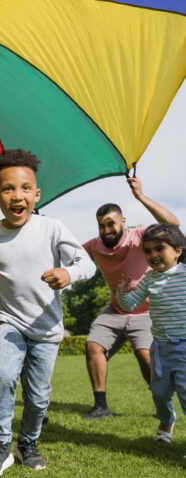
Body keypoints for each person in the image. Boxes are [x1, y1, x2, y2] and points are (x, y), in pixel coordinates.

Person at [0, 149, 95, 477]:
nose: (18, 195)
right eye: (9, 189)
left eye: (26, 188)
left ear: (37, 194)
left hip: (46, 325)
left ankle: (27, 442)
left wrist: (68, 274)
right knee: (2, 374)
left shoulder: (52, 228)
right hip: (8, 319)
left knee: (39, 398)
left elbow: (87, 263)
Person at [82, 177, 180, 419]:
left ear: (122, 221)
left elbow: (173, 225)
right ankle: (101, 407)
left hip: (145, 312)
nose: (106, 230)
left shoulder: (140, 236)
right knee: (93, 345)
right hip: (115, 310)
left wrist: (140, 197)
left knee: (144, 355)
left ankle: (162, 404)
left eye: (110, 224)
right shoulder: (95, 246)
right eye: (101, 226)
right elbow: (68, 255)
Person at [117, 223, 185, 453]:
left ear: (178, 250)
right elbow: (130, 304)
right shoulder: (149, 279)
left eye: (160, 248)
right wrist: (123, 292)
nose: (153, 255)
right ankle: (167, 419)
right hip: (160, 348)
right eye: (147, 251)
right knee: (159, 391)